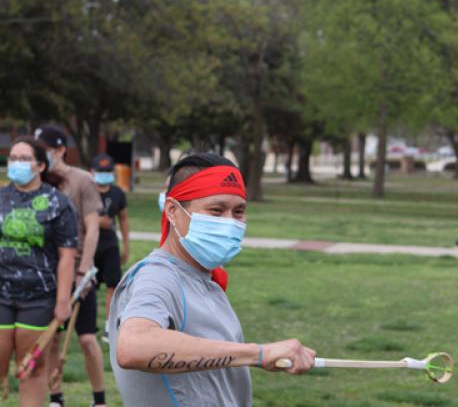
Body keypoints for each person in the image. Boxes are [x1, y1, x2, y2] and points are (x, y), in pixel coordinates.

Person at [109, 153, 316, 407]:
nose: (229, 223)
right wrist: (259, 354)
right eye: (216, 211)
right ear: (173, 211)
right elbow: (134, 345)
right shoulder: (157, 277)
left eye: (238, 212)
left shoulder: (203, 276)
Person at [0, 137, 77, 407]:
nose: (15, 164)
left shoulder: (58, 203)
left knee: (30, 368)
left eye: (23, 159)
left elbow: (67, 256)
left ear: (40, 165)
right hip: (1, 293)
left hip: (39, 296)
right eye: (12, 158)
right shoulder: (1, 197)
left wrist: (63, 301)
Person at [34, 126, 107, 407]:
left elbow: (92, 229)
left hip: (78, 271)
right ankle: (56, 398)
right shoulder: (38, 181)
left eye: (46, 149)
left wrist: (84, 270)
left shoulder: (82, 180)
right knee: (51, 339)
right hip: (47, 273)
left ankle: (99, 399)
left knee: (88, 339)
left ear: (60, 149)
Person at [90, 153, 129, 343]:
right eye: (100, 171)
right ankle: (87, 326)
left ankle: (109, 327)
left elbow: (123, 219)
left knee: (113, 286)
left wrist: (126, 245)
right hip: (90, 244)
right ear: (92, 172)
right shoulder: (86, 191)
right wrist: (97, 221)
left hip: (110, 245)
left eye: (107, 171)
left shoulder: (117, 193)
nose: (103, 175)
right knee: (89, 288)